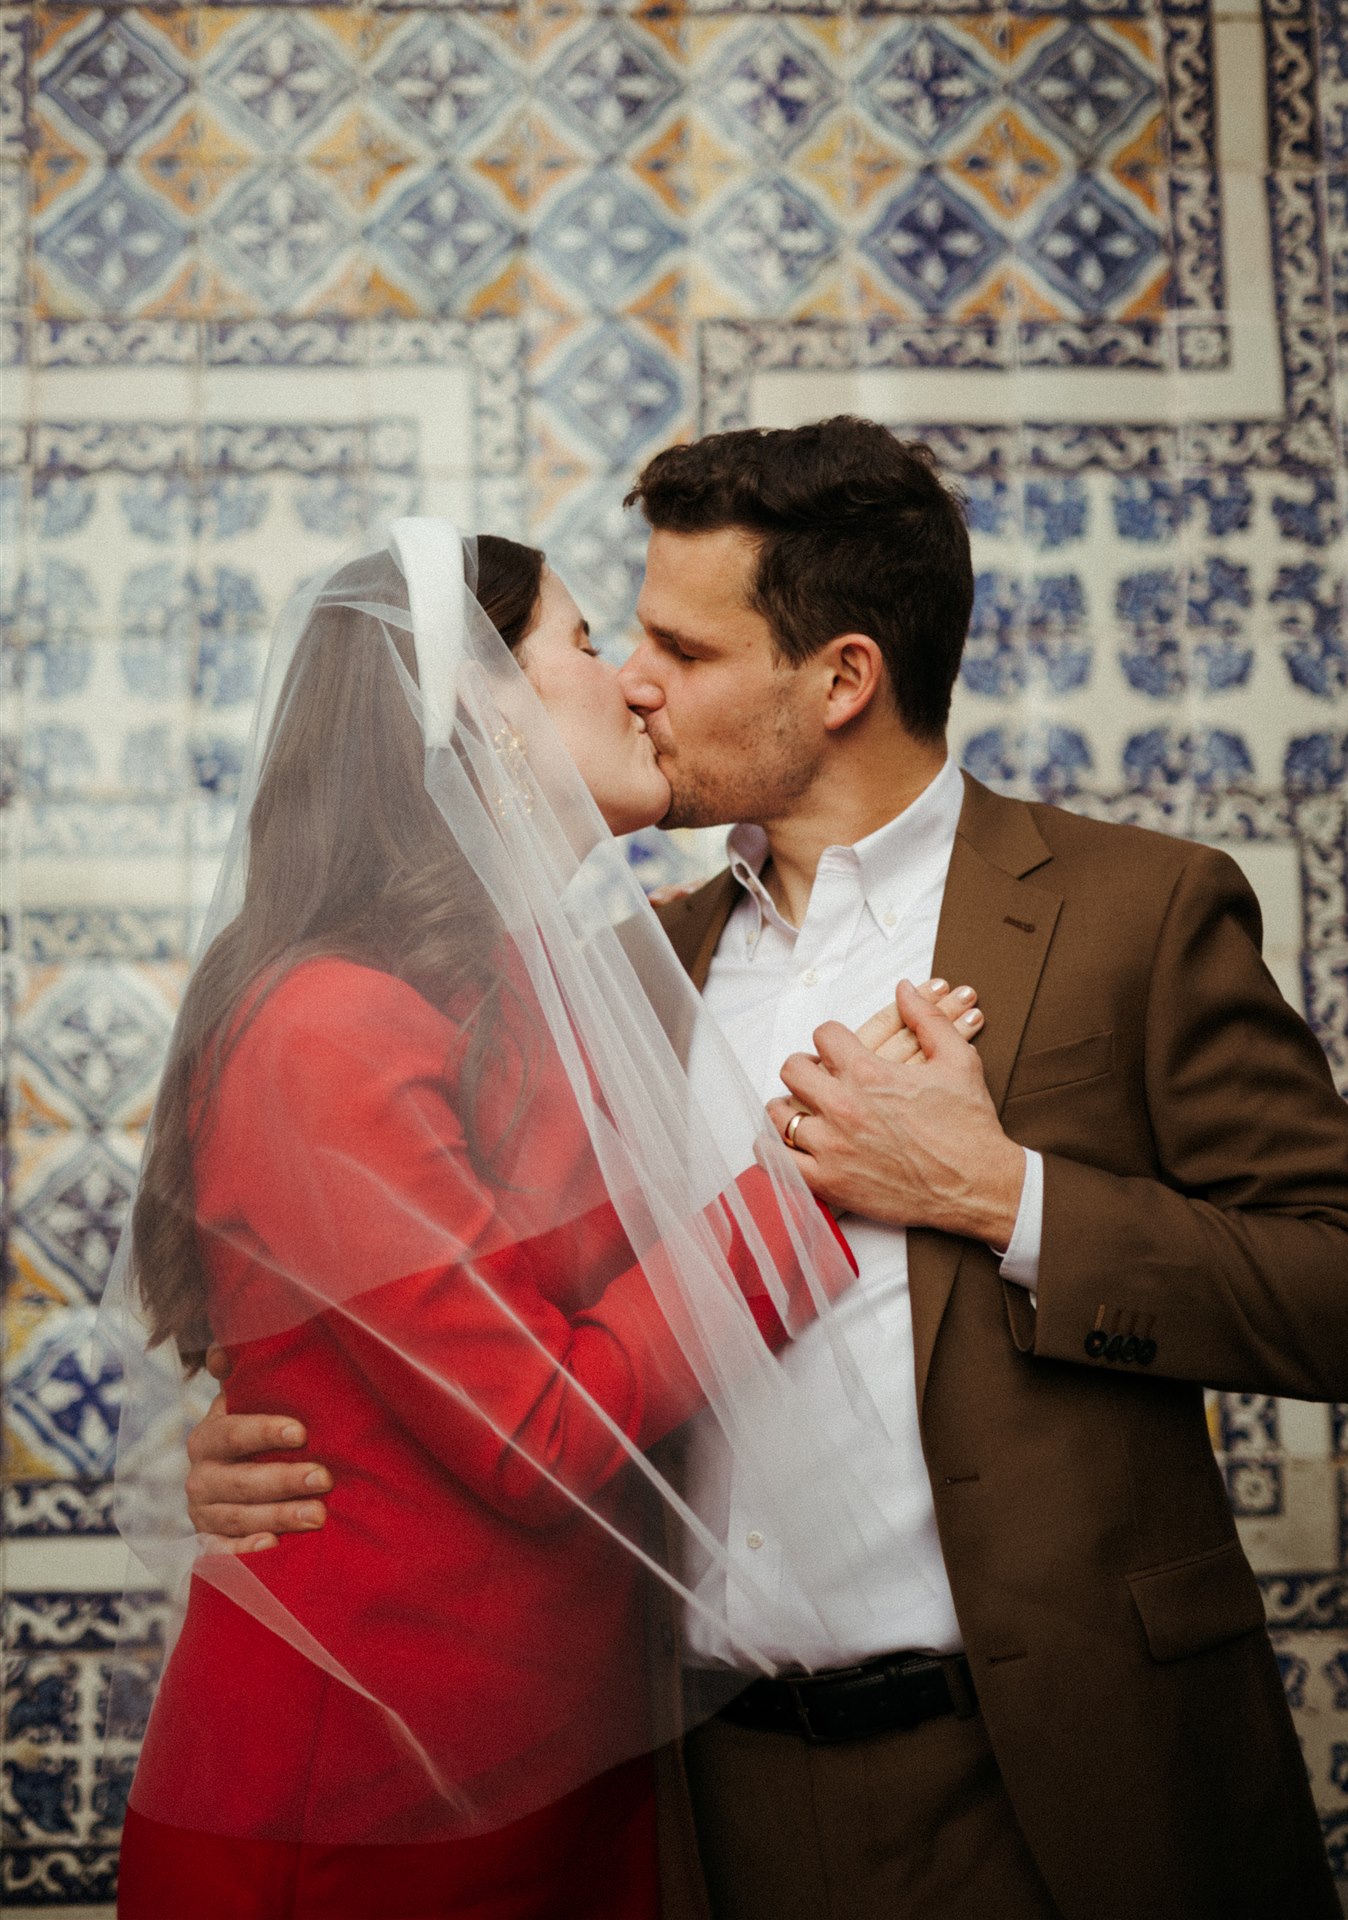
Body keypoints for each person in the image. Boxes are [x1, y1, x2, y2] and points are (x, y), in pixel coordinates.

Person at [187, 422, 1348, 1920]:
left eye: (678, 646)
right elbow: (487, 1328)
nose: (635, 681)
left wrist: (1002, 1197)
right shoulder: (619, 965)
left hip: (1050, 1779)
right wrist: (291, 1438)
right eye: (624, 639)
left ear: (839, 678)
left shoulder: (1134, 914)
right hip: (691, 1802)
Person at [108, 518, 979, 1920]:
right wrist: (804, 1178)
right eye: (583, 642)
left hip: (574, 1769)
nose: (636, 681)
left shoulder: (565, 989)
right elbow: (536, 1434)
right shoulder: (326, 1023)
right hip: (369, 1801)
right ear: (474, 709)